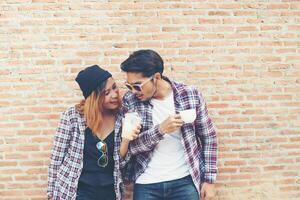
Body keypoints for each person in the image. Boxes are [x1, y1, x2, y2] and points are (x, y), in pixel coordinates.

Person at [117, 49, 218, 200]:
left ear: (156, 77)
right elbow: (129, 147)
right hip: (146, 182)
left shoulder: (189, 95)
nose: (133, 91)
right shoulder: (130, 101)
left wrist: (209, 181)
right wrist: (160, 130)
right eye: (129, 86)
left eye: (137, 86)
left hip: (184, 180)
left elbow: (208, 136)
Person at [47, 65, 139, 200]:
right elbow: (56, 158)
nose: (114, 95)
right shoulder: (72, 117)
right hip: (77, 192)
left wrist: (126, 139)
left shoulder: (123, 116)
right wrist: (51, 194)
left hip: (110, 192)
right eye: (106, 93)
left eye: (114, 87)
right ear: (94, 98)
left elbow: (121, 163)